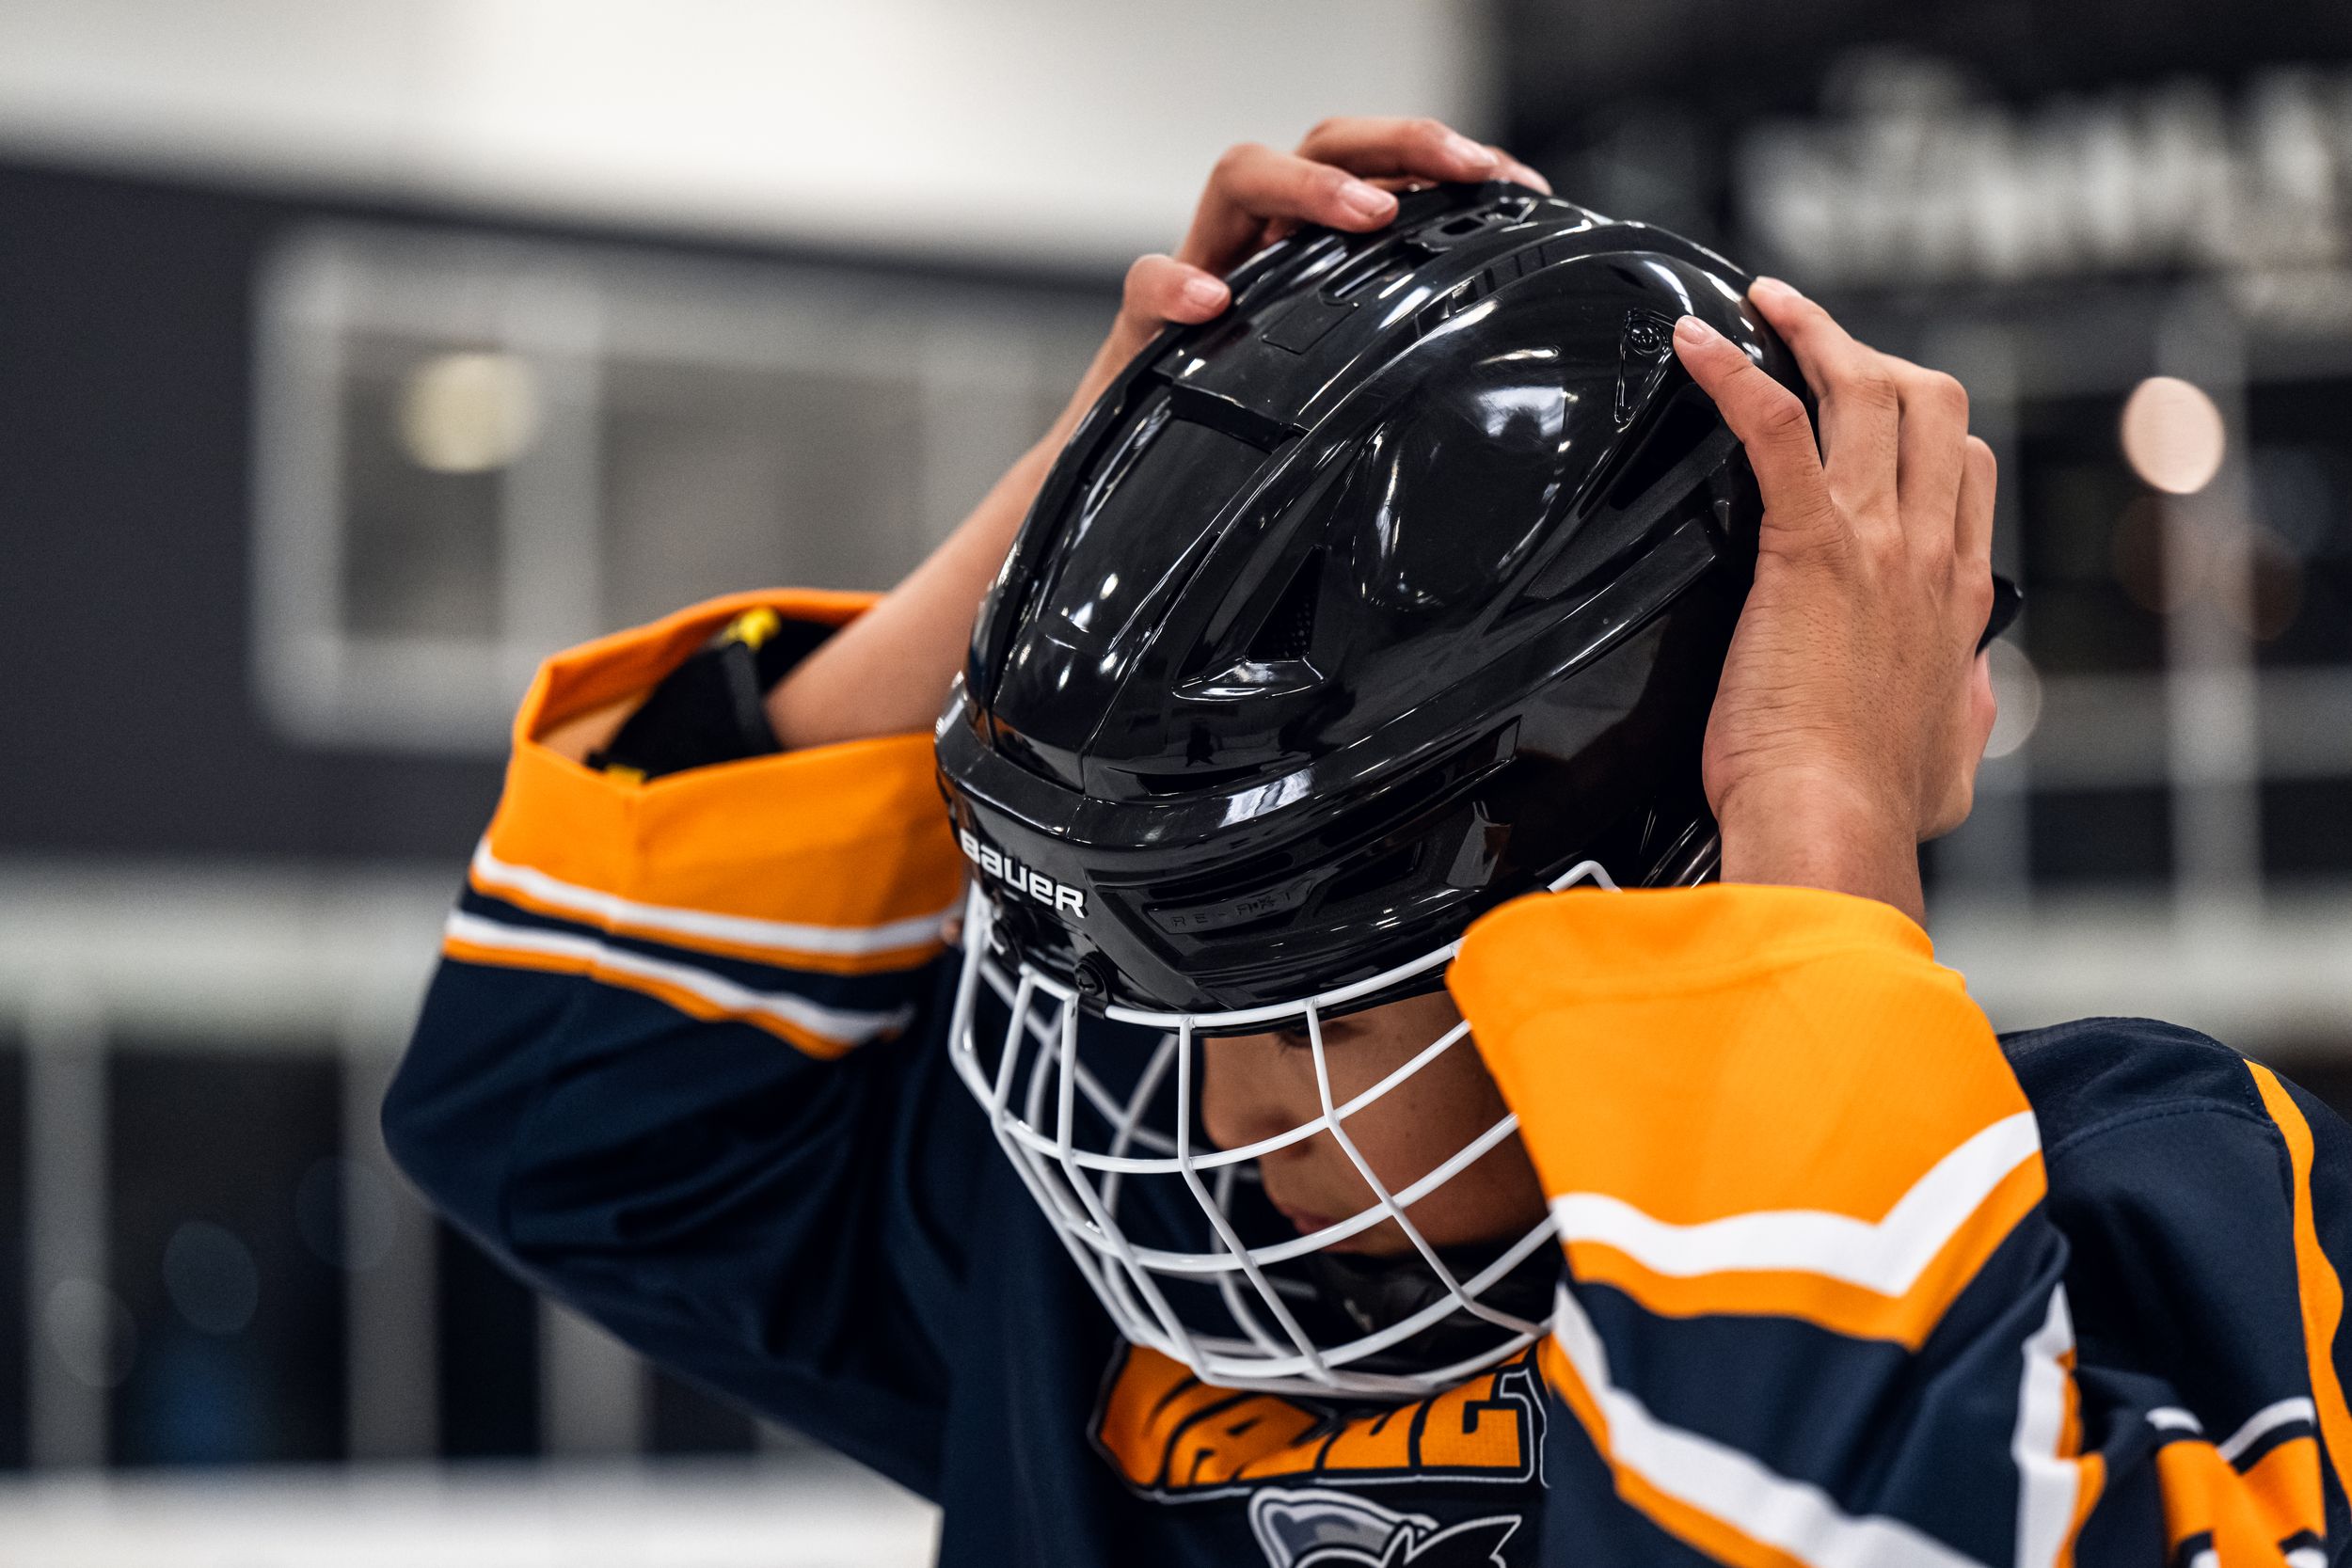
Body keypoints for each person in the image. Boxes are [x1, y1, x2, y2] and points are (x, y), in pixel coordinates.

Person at [385, 117, 2352, 1568]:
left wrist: (1818, 815)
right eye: (1181, 993)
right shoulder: (1093, 1258)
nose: (1204, 1104)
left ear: (1658, 899)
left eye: (1314, 1011)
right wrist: (1099, 517)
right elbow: (558, 1117)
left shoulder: (2142, 1198)